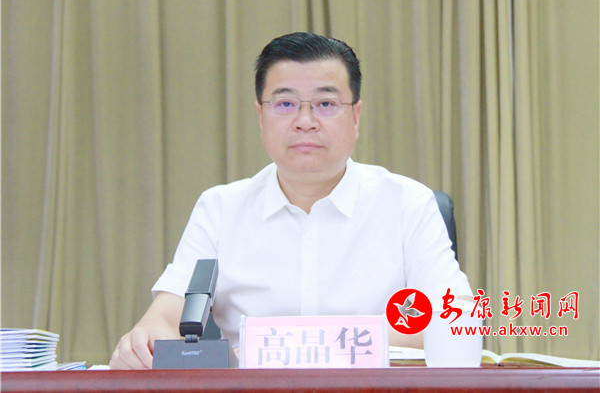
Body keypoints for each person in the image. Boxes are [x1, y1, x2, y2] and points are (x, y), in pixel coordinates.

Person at [109, 32, 472, 369]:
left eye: (326, 103)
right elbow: (165, 317)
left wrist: (290, 346)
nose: (305, 121)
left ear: (355, 116)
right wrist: (145, 340)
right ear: (260, 116)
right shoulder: (220, 209)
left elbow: (453, 318)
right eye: (285, 104)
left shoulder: (408, 204)